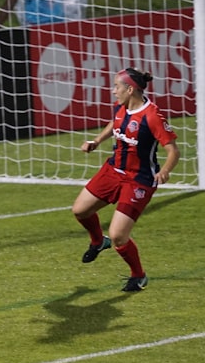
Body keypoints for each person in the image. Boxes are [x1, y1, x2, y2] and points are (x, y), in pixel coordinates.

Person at [72, 68, 180, 292]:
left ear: (130, 89)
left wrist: (165, 171)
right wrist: (96, 141)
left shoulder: (152, 116)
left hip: (138, 180)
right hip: (113, 171)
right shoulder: (121, 108)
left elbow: (173, 151)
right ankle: (97, 242)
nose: (113, 91)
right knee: (80, 211)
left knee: (119, 236)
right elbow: (115, 123)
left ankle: (138, 276)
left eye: (116, 87)